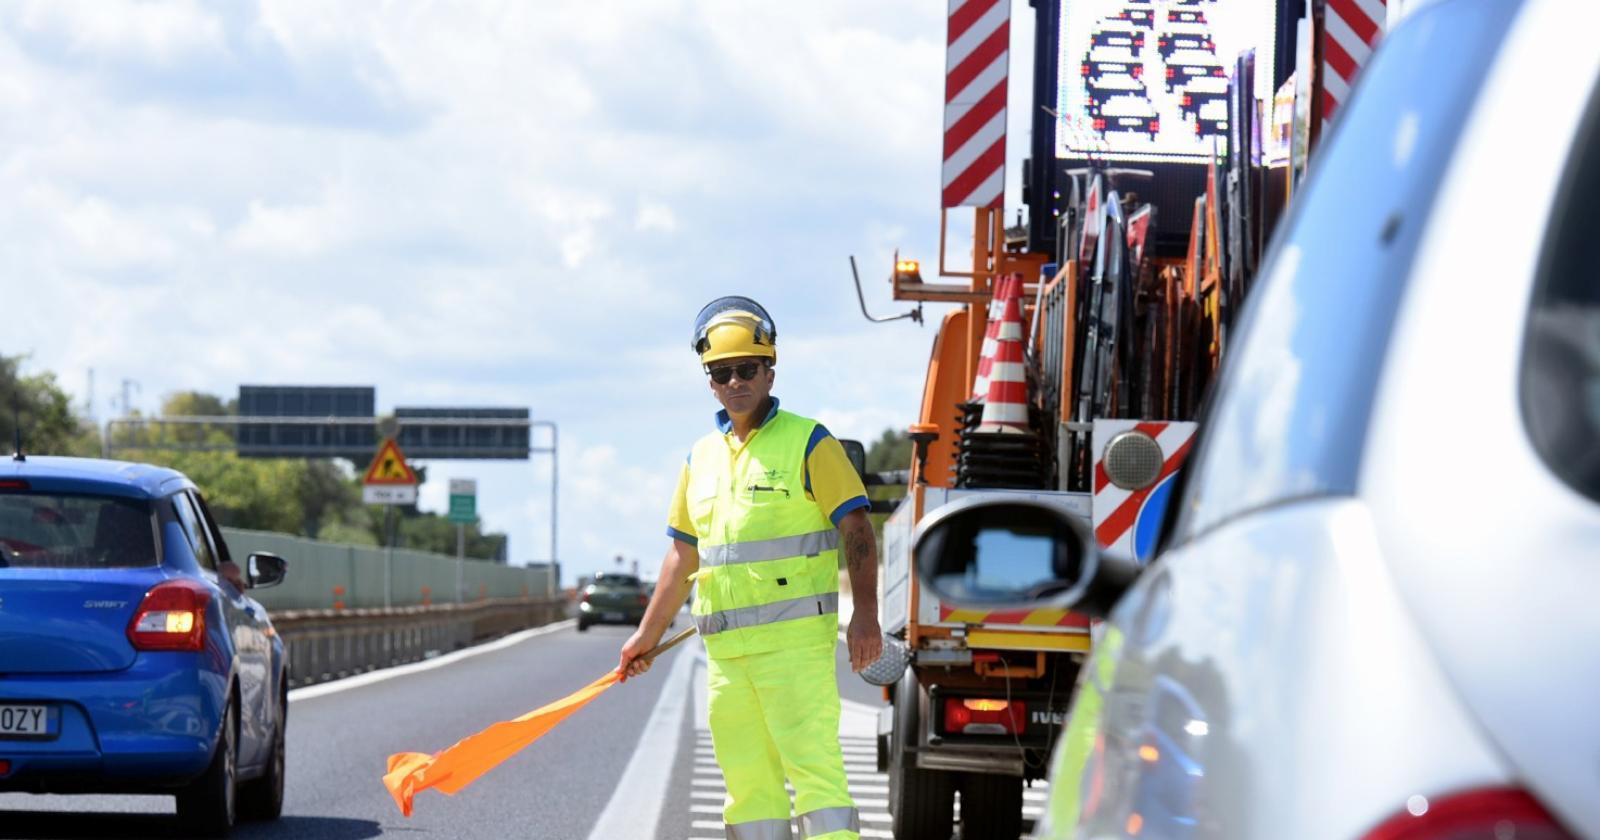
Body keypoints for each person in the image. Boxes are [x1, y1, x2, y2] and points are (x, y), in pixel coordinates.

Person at [619, 297, 882, 840]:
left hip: (794, 652)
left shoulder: (810, 441)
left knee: (816, 780)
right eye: (722, 372)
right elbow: (682, 555)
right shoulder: (700, 458)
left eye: (746, 369)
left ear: (769, 371)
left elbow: (856, 528)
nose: (735, 381)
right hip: (726, 657)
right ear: (709, 381)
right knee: (748, 789)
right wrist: (646, 635)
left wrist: (867, 617)